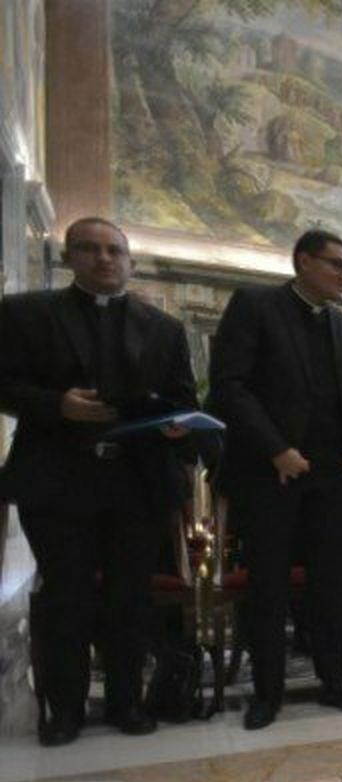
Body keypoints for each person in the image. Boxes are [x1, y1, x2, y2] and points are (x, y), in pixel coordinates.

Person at [0, 218, 197, 745]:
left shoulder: (164, 329)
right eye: (90, 249)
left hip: (138, 482)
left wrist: (178, 427)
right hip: (59, 479)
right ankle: (63, 709)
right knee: (66, 597)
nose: (104, 259)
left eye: (115, 251)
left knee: (130, 599)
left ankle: (126, 702)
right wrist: (56, 405)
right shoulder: (26, 315)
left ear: (130, 262)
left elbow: (182, 399)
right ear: (70, 258)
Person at [209, 229, 342, 730]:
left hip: (333, 479)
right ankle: (267, 692)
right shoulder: (256, 305)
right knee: (268, 587)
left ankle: (338, 681)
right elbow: (231, 387)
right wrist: (276, 449)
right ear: (303, 260)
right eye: (337, 265)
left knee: (334, 585)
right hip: (270, 475)